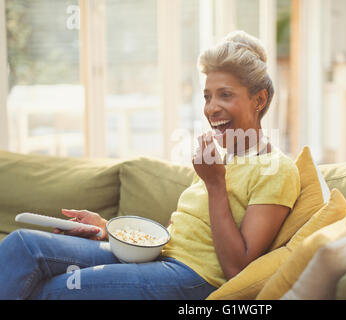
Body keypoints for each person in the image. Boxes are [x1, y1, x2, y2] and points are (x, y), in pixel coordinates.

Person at [0, 31, 300, 300]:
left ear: (259, 99)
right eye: (207, 96)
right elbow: (182, 235)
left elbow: (237, 268)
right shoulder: (222, 161)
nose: (211, 108)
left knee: (56, 290)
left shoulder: (276, 169)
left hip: (194, 278)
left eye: (225, 95)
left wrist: (214, 183)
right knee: (23, 245)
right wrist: (109, 231)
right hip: (159, 260)